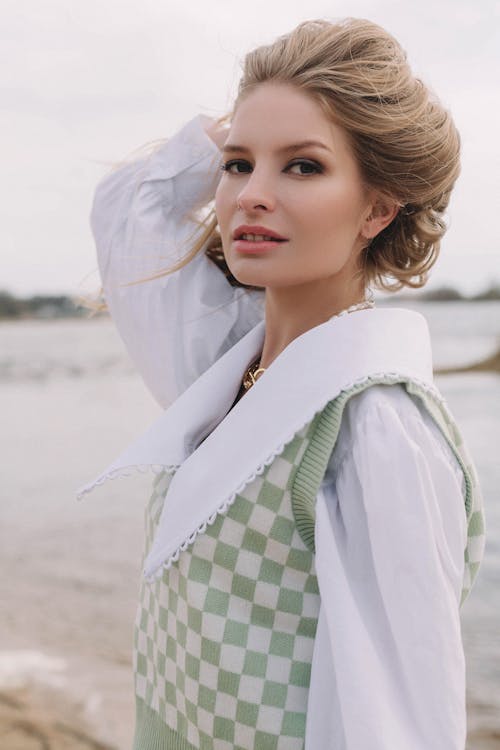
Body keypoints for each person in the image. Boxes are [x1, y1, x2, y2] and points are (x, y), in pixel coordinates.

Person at [79, 17, 486, 750]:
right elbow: (124, 208)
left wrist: (262, 122)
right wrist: (238, 122)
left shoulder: (376, 429)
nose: (249, 196)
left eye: (303, 166)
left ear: (377, 207)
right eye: (239, 166)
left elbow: (400, 722)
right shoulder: (227, 366)